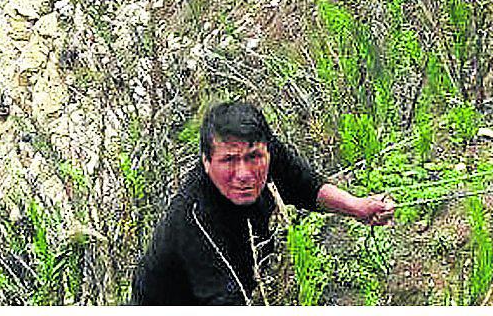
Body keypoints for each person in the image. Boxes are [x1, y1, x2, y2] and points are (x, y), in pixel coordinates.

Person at [131, 101, 395, 305]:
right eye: (229, 160)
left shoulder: (266, 152)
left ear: (267, 150)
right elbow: (226, 301)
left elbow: (307, 187)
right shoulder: (194, 219)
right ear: (206, 162)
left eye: (253, 157)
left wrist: (358, 207)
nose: (244, 173)